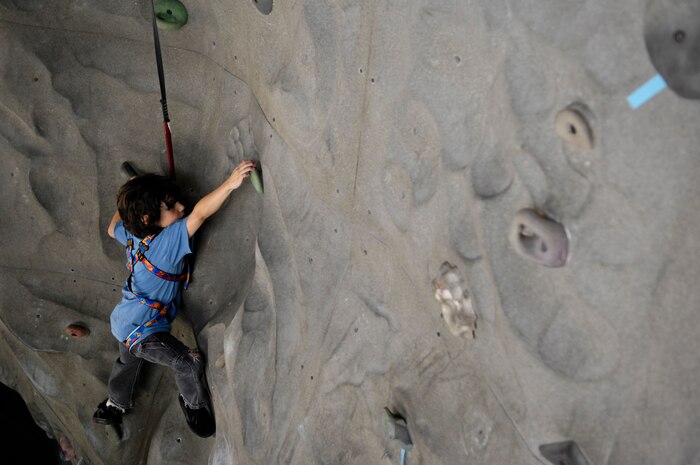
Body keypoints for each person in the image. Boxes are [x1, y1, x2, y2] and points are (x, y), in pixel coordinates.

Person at [92, 160, 256, 438]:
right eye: (170, 206)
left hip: (123, 321)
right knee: (187, 362)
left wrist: (133, 192)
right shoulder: (165, 245)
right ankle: (192, 403)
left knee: (127, 362)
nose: (181, 207)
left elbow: (112, 227)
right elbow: (200, 213)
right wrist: (230, 183)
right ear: (147, 219)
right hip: (144, 331)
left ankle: (114, 403)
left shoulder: (134, 234)